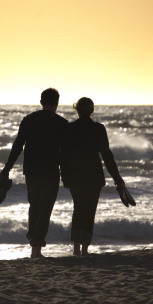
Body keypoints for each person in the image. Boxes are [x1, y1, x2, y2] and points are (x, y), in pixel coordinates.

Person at [0, 88, 68, 258]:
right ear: (56, 103)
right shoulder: (62, 123)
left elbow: (17, 146)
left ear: (41, 101)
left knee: (34, 206)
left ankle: (33, 244)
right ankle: (36, 247)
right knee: (45, 209)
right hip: (51, 171)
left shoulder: (29, 120)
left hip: (31, 170)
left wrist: (7, 169)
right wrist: (66, 175)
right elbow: (66, 153)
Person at [61, 97, 128, 256]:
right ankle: (84, 249)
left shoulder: (70, 128)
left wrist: (64, 177)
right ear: (91, 110)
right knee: (89, 211)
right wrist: (117, 179)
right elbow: (106, 155)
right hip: (94, 176)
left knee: (78, 209)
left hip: (75, 177)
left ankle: (76, 248)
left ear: (76, 109)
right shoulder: (98, 128)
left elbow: (63, 155)